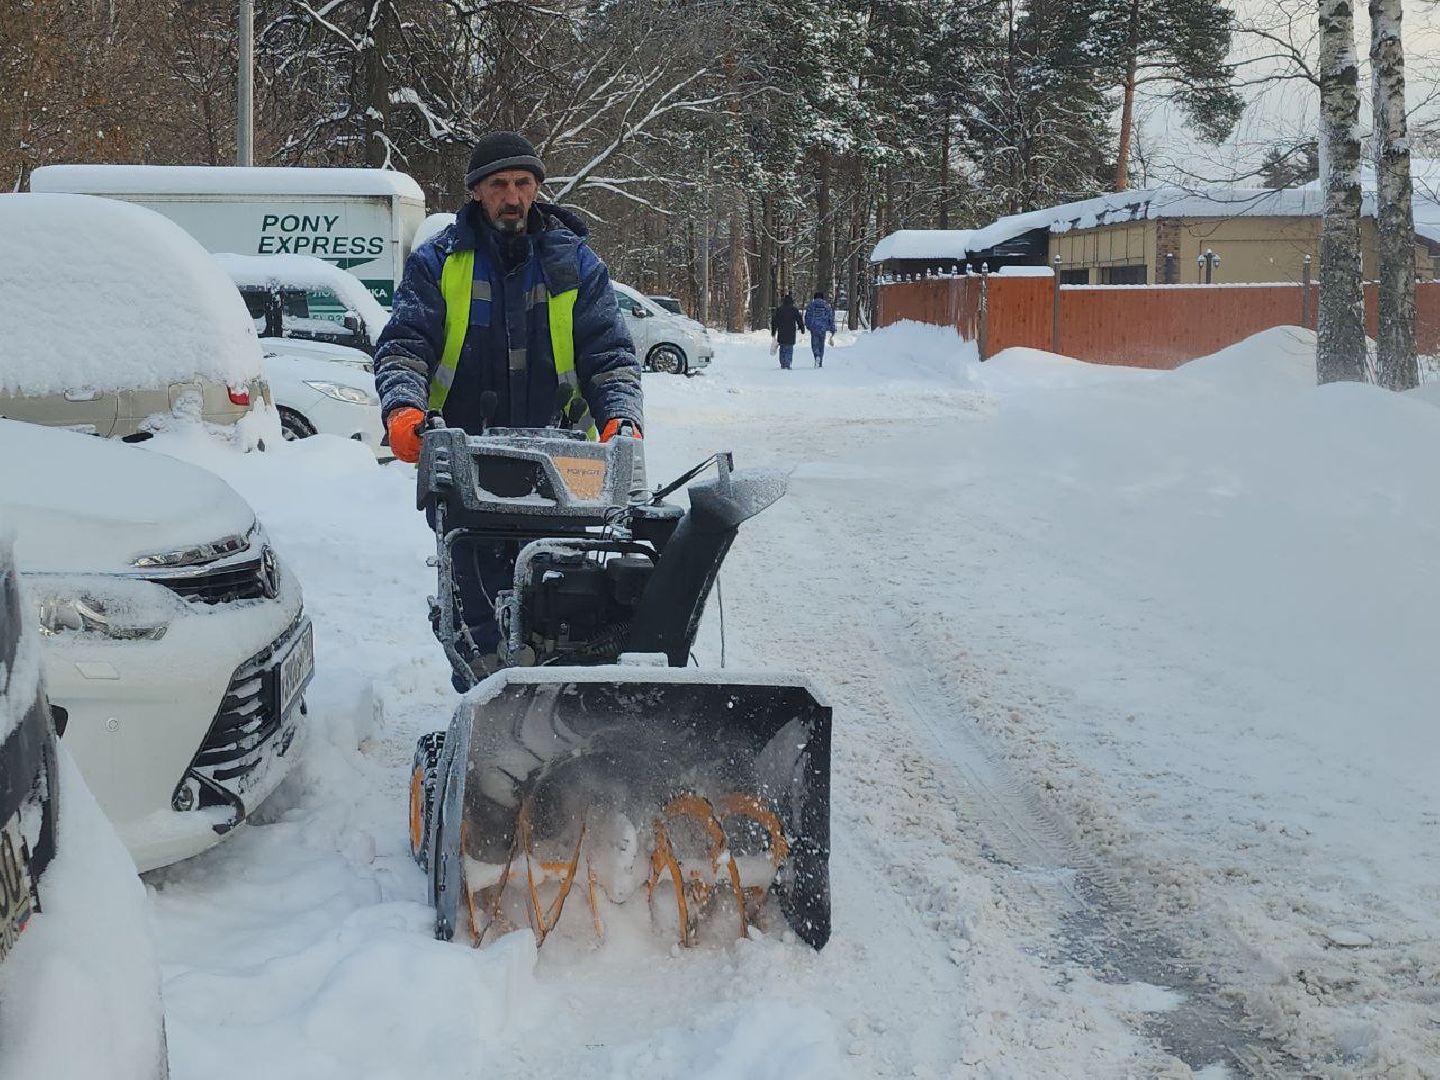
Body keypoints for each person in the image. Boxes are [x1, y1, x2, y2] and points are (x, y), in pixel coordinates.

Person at [374, 130, 643, 687]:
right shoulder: (438, 262)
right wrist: (403, 411)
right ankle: (486, 705)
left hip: (563, 462)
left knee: (559, 594)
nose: (513, 196)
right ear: (476, 193)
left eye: (523, 183)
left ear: (539, 188)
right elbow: (404, 346)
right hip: (467, 460)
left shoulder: (575, 263)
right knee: (476, 606)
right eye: (499, 185)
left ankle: (558, 699)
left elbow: (610, 354)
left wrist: (621, 416)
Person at [770, 294, 805, 370]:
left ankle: (783, 363)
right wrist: (802, 328)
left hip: (782, 331)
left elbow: (774, 321)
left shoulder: (779, 310)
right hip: (791, 332)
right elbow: (799, 320)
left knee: (782, 348)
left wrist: (773, 331)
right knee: (789, 348)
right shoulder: (794, 310)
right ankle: (788, 363)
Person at [803, 291, 837, 367]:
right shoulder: (826, 306)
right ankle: (820, 362)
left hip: (814, 328)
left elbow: (807, 317)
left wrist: (808, 326)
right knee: (821, 345)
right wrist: (832, 329)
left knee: (814, 344)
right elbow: (830, 318)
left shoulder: (811, 305)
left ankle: (817, 356)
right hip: (823, 328)